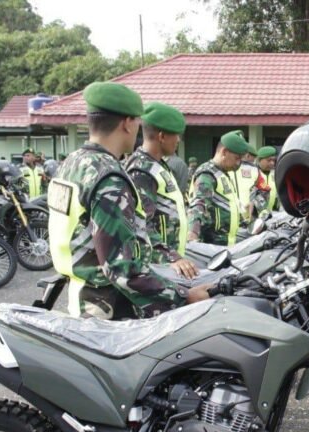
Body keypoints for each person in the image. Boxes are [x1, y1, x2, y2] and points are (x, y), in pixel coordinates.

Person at [48, 81, 206, 320]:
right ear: (127, 124)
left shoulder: (71, 164)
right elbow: (121, 268)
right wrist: (182, 296)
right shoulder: (108, 178)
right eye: (136, 121)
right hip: (107, 309)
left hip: (82, 292)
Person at [125, 101, 194, 262]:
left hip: (170, 260)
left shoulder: (158, 165)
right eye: (176, 135)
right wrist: (172, 257)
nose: (178, 140)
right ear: (162, 136)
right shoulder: (142, 170)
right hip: (158, 262)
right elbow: (141, 224)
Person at [186, 130, 251, 246]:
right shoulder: (207, 174)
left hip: (227, 244)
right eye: (237, 158)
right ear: (224, 152)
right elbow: (199, 204)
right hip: (212, 246)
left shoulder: (223, 174)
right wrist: (193, 233)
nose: (239, 163)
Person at [249, 145, 278, 219]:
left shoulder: (275, 174)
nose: (272, 163)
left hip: (271, 215)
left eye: (273, 160)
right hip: (254, 217)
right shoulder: (253, 174)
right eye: (269, 160)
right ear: (259, 160)